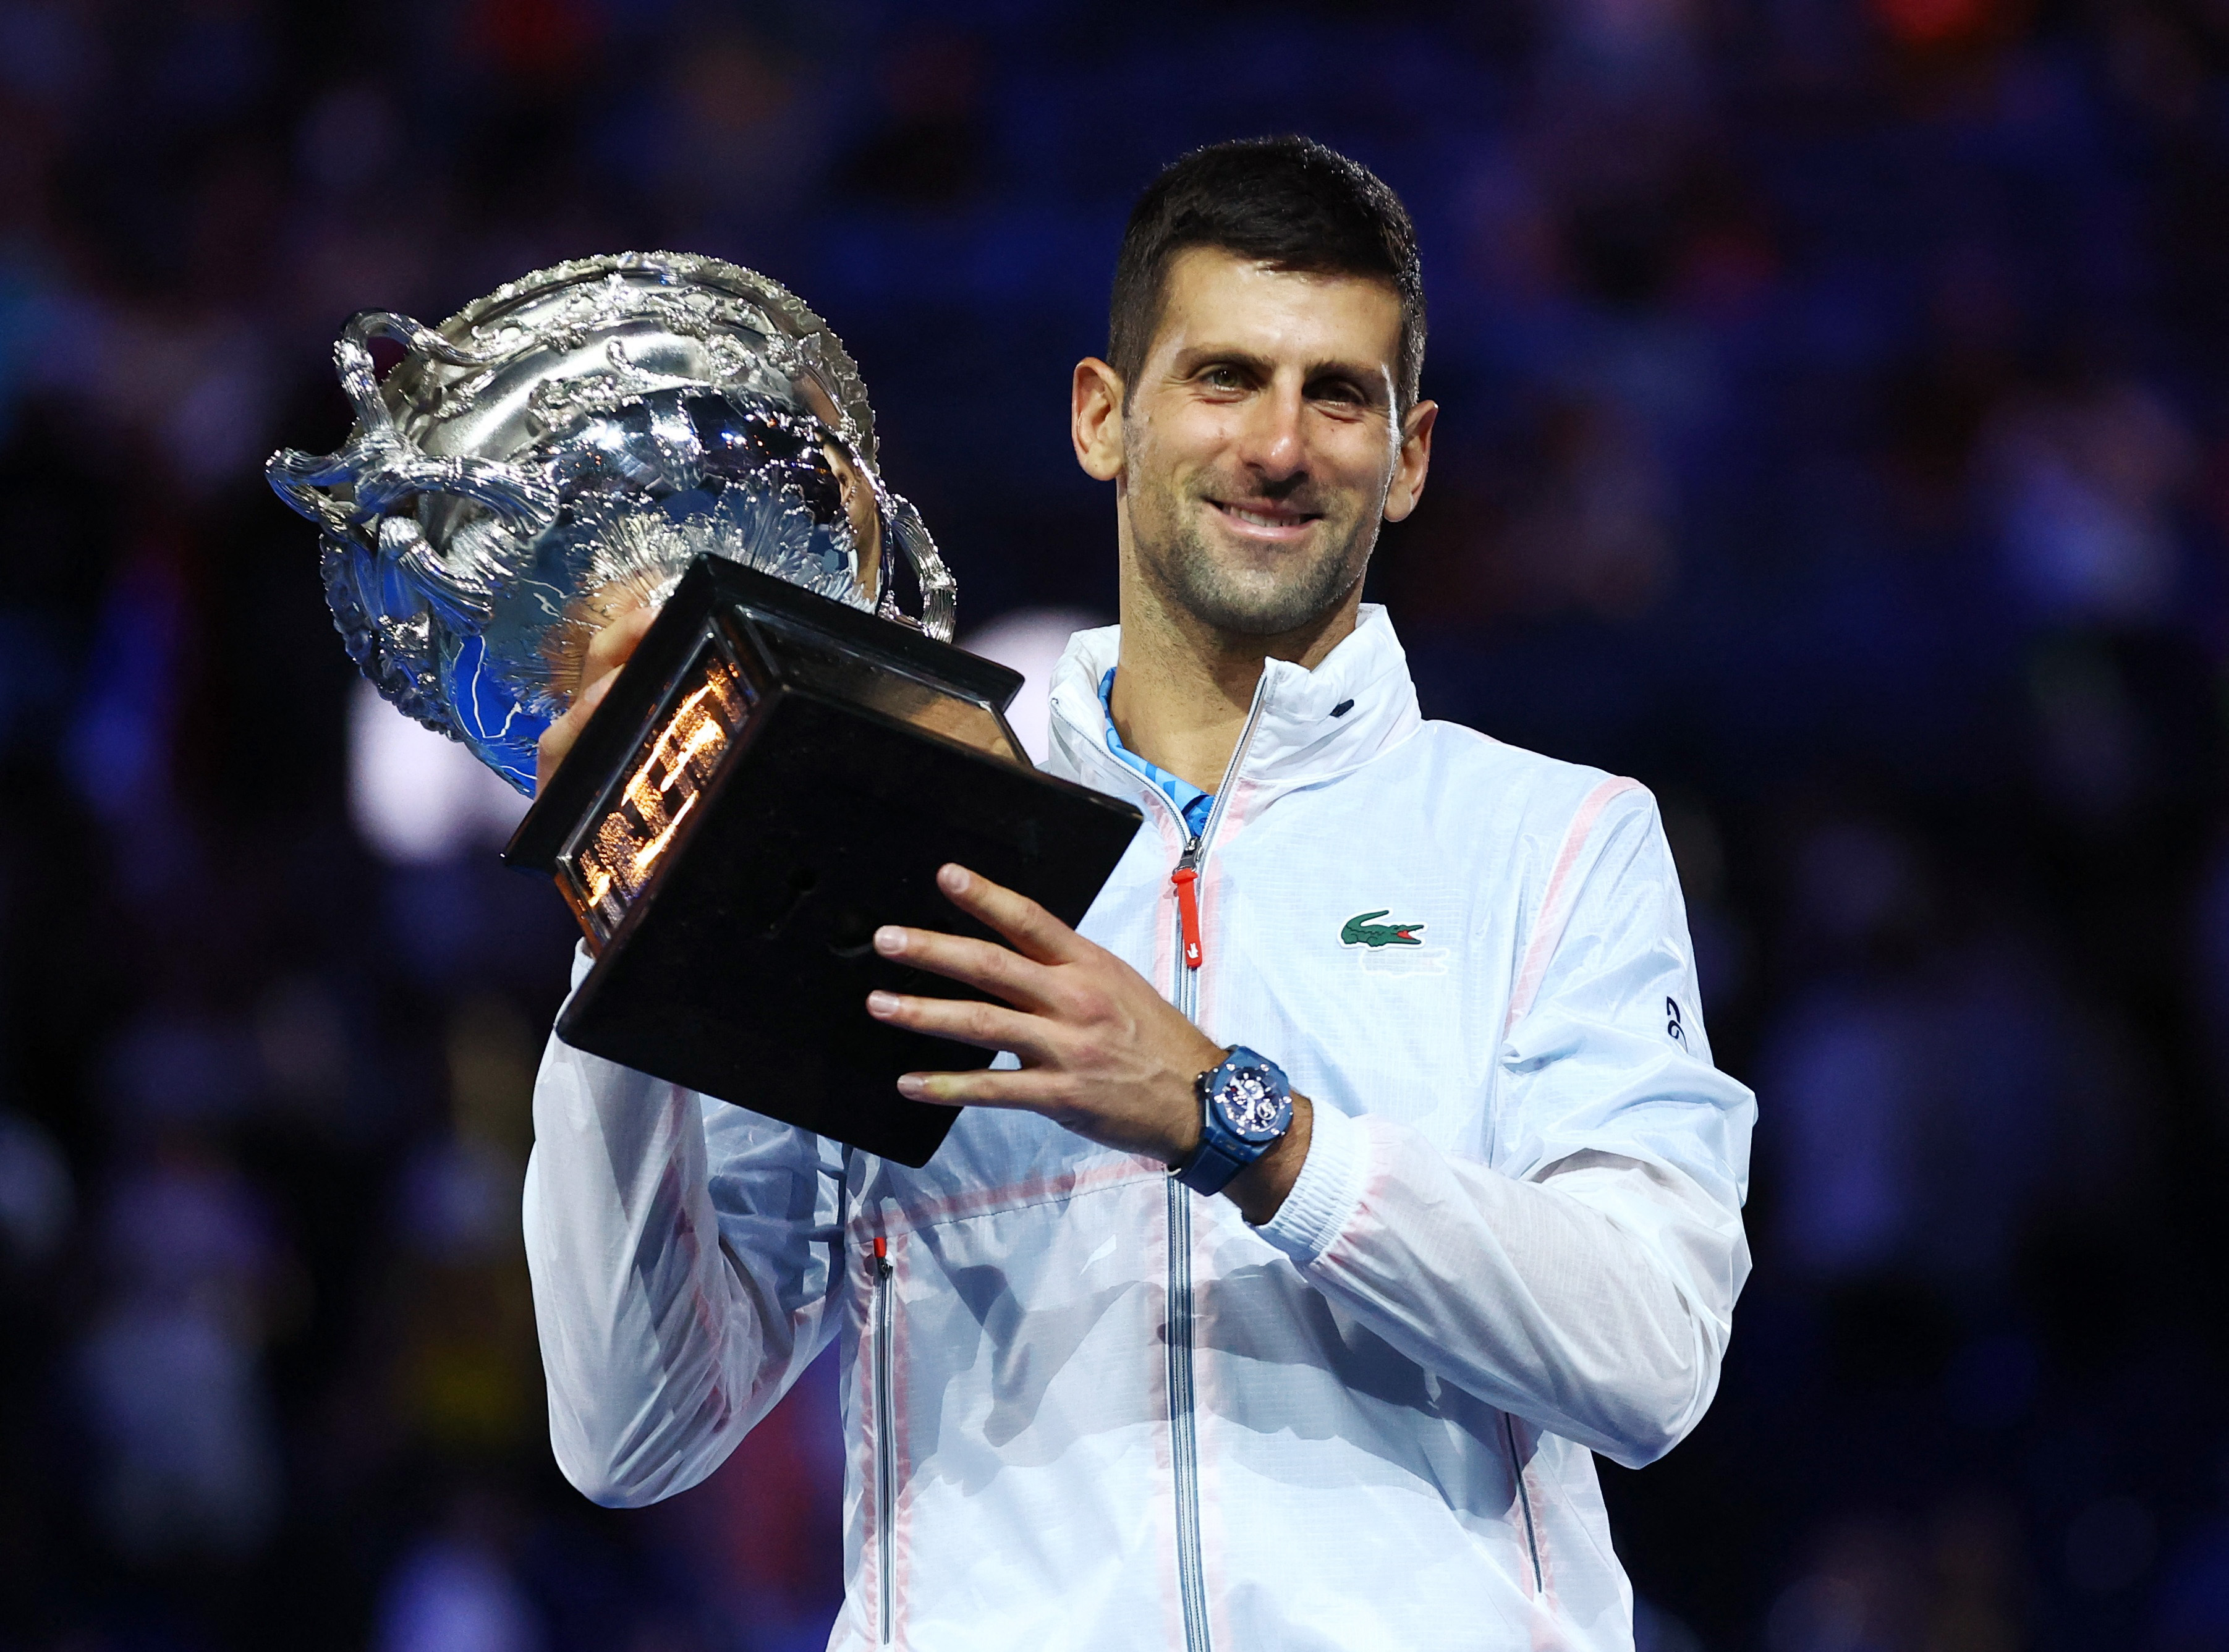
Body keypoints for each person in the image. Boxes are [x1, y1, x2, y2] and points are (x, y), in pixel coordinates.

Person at [523, 135, 1755, 1651]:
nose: (1282, 445)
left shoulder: (1552, 841)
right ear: (1104, 417)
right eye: (1225, 377)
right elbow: (634, 1432)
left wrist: (1237, 1122)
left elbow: (1650, 1349)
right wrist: (628, 931)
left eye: (1340, 393)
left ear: (1412, 454)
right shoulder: (891, 824)